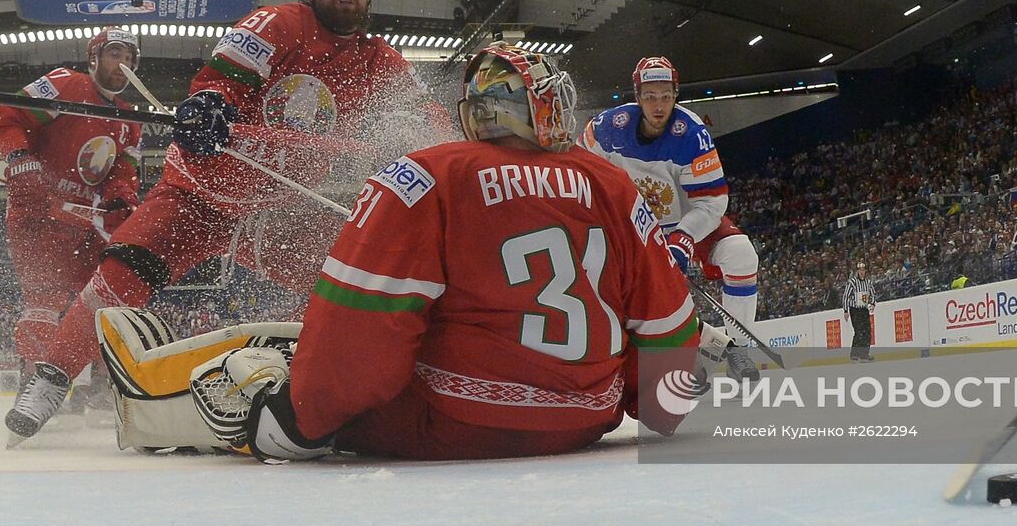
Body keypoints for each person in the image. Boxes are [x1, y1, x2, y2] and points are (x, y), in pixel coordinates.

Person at [163, 44, 715, 461]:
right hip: (584, 420)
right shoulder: (612, 184)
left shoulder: (426, 174)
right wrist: (660, 407)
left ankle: (199, 414)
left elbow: (358, 328)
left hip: (453, 423)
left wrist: (296, 421)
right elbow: (665, 317)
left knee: (267, 385)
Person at [5, 0, 449, 444]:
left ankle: (402, 379)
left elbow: (428, 121)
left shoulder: (378, 60)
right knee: (118, 278)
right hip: (199, 195)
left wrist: (440, 146)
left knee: (356, 281)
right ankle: (51, 378)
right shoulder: (278, 24)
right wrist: (209, 107)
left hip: (278, 209)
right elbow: (215, 83)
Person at [581, 56, 762, 381]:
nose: (658, 105)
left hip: (689, 222)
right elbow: (584, 174)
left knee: (741, 254)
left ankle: (741, 350)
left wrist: (683, 238)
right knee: (644, 296)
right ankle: (701, 352)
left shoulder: (693, 134)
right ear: (637, 96)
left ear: (675, 94)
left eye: (665, 95)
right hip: (636, 231)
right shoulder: (607, 128)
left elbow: (711, 201)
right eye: (650, 96)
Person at [0, 28, 143, 382]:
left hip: (90, 220)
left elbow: (122, 170)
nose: (123, 64)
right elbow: (10, 115)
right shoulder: (65, 84)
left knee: (108, 296)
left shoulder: (131, 118)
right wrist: (20, 160)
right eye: (115, 54)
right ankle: (35, 385)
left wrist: (122, 195)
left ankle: (103, 389)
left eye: (129, 58)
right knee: (44, 299)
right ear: (94, 57)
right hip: (41, 209)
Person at [842, 261, 875, 363]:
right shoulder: (852, 282)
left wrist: (872, 304)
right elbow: (846, 296)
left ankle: (864, 355)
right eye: (859, 270)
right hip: (855, 310)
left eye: (863, 270)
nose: (861, 272)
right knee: (859, 331)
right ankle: (854, 354)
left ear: (865, 271)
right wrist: (846, 310)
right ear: (857, 271)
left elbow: (873, 294)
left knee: (867, 332)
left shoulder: (868, 282)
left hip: (864, 309)